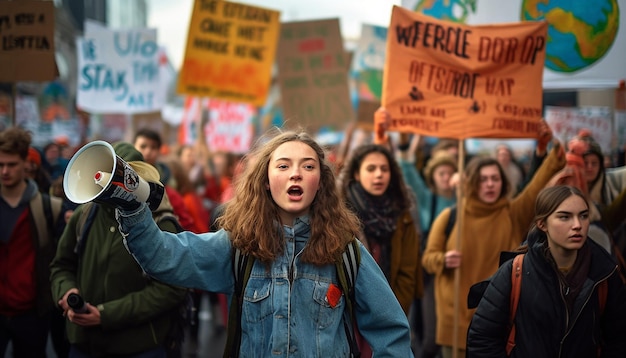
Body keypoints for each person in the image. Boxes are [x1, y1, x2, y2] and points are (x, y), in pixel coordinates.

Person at [115, 130, 414, 357]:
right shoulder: (237, 246)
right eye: (283, 166)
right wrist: (132, 208)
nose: (296, 172)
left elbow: (391, 331)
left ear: (320, 182)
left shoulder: (346, 252)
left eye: (308, 167)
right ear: (266, 181)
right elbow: (162, 257)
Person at [421, 133, 565, 358]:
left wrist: (554, 151)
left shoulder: (513, 214)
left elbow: (536, 185)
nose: (489, 184)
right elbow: (428, 259)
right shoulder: (450, 216)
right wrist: (443, 259)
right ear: (471, 182)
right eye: (483, 179)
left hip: (498, 324)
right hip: (455, 323)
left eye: (495, 178)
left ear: (503, 182)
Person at [50, 142, 189, 358]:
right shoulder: (84, 215)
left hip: (138, 347)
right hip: (84, 344)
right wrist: (67, 291)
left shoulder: (161, 223)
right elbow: (61, 265)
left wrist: (106, 315)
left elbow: (171, 290)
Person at [467, 185, 626, 357]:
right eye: (565, 217)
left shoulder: (604, 274)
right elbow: (482, 339)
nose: (577, 225)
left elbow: (619, 339)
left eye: (583, 216)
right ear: (542, 224)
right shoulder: (515, 272)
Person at [0, 127, 65, 357]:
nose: (5, 171)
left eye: (12, 164)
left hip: (31, 311)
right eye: (0, 165)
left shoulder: (48, 208)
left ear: (25, 162)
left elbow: (62, 261)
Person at [339, 143, 422, 316]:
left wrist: (394, 313)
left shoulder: (402, 215)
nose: (379, 174)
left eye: (384, 169)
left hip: (391, 310)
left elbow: (407, 272)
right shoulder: (341, 215)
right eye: (371, 169)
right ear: (356, 174)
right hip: (350, 312)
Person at [133, 128, 197, 232]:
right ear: (133, 147)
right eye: (143, 146)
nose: (148, 151)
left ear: (159, 151)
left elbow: (186, 226)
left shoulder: (169, 192)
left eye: (153, 147)